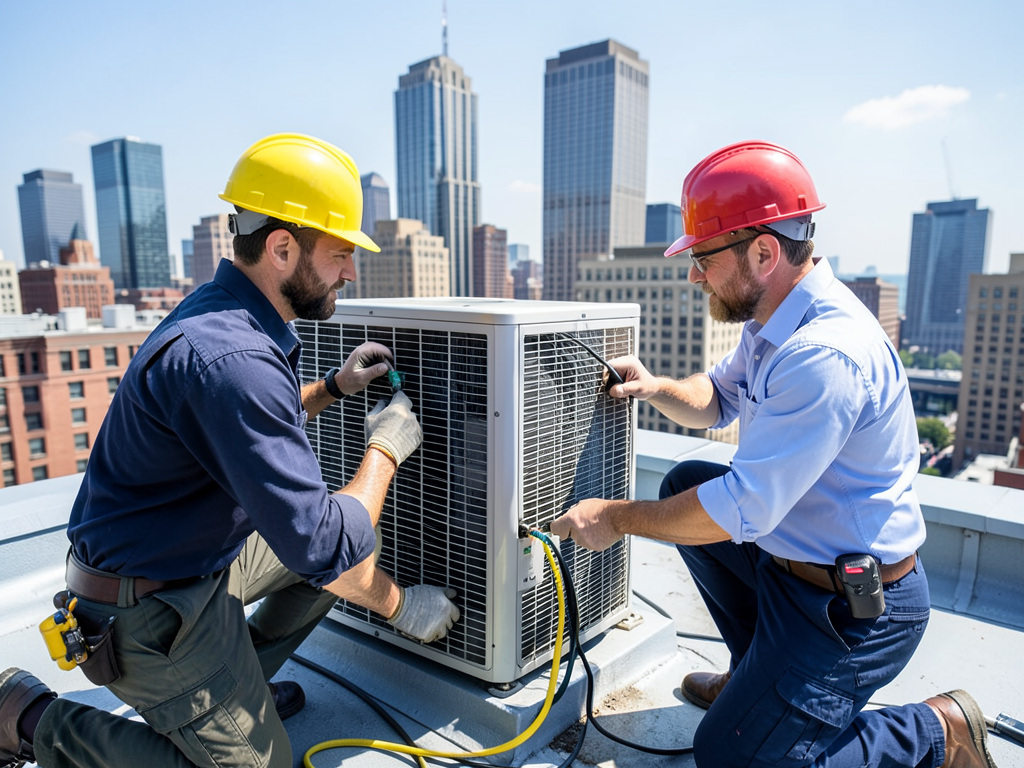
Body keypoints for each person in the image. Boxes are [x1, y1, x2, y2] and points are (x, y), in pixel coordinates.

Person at [0, 133, 460, 768]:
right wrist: (386, 452)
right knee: (341, 543)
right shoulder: (235, 357)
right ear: (280, 247)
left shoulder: (221, 314)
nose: (350, 270)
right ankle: (27, 716)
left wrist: (332, 387)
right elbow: (325, 548)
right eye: (339, 253)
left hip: (184, 562)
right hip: (143, 612)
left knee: (348, 529)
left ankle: (233, 689)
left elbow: (240, 428)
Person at [550, 141, 996, 768]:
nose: (693, 274)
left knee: (728, 758)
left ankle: (935, 731)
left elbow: (741, 509)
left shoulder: (823, 355)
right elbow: (717, 400)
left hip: (852, 609)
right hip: (791, 569)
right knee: (685, 477)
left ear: (763, 251)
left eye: (704, 257)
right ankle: (753, 675)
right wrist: (655, 387)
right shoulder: (774, 319)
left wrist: (615, 518)